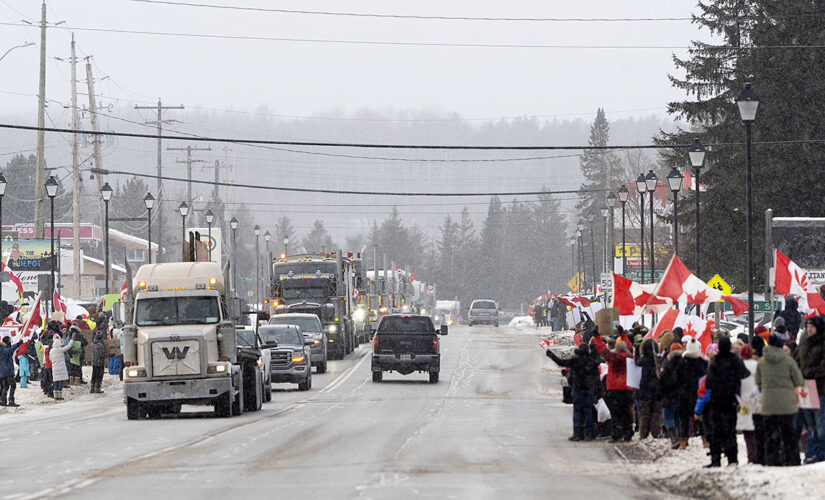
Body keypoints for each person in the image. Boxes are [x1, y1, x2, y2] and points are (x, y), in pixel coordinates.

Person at [756, 333, 804, 466]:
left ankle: (772, 460)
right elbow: (799, 381)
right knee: (789, 434)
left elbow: (758, 382)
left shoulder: (761, 362)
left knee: (771, 435)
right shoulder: (789, 361)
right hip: (787, 404)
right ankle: (792, 460)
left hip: (768, 404)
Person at [704, 336, 749, 467]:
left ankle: (716, 459)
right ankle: (732, 459)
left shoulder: (715, 361)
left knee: (716, 431)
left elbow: (708, 382)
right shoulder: (735, 360)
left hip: (717, 400)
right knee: (730, 431)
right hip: (731, 400)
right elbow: (745, 374)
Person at [546, 342, 600, 441]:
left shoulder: (575, 361)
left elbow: (561, 362)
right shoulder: (592, 362)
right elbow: (597, 377)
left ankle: (577, 434)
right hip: (588, 389)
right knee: (588, 412)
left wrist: (551, 355)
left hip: (578, 389)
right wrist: (597, 391)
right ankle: (588, 433)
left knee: (577, 412)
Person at [592, 331, 634, 442]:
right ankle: (628, 433)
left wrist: (596, 337)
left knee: (615, 413)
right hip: (626, 387)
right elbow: (629, 347)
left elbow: (602, 349)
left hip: (614, 388)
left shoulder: (612, 357)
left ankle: (617, 434)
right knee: (626, 412)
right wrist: (623, 335)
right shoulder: (629, 356)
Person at [797, 316, 825, 463]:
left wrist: (810, 372)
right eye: (807, 326)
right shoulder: (805, 343)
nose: (809, 329)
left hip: (820, 389)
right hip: (806, 389)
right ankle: (811, 453)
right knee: (810, 425)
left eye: (812, 326)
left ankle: (821, 454)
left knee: (820, 424)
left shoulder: (822, 344)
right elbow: (798, 361)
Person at [675, 336, 707, 450]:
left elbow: (677, 379)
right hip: (698, 394)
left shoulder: (682, 362)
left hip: (684, 394)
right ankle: (705, 440)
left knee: (684, 420)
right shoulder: (703, 363)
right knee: (700, 418)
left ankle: (683, 441)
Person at [737, 344, 761, 464]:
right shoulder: (757, 365)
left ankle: (751, 455)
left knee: (747, 429)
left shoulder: (740, 366)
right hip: (757, 399)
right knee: (757, 426)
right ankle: (758, 454)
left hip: (743, 402)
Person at [635, 337, 662, 439]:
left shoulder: (643, 360)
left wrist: (637, 352)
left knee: (644, 412)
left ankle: (643, 433)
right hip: (657, 389)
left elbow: (636, 362)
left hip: (645, 389)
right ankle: (655, 432)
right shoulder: (657, 360)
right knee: (656, 412)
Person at [660, 342, 683, 448]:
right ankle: (680, 436)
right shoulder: (685, 363)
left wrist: (659, 394)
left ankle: (674, 436)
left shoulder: (667, 364)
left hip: (669, 396)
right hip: (681, 396)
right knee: (678, 416)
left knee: (668, 417)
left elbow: (663, 382)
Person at [49, 332, 77, 401]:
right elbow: (69, 346)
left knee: (56, 381)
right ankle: (60, 395)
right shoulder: (60, 350)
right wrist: (72, 340)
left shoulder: (51, 351)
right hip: (61, 368)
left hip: (55, 368)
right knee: (60, 381)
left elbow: (50, 359)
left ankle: (56, 395)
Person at [0, 336, 18, 407]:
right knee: (13, 385)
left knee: (5, 386)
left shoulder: (3, 348)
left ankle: (3, 400)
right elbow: (10, 351)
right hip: (7, 371)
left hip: (3, 371)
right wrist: (17, 345)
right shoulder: (2, 349)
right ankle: (10, 400)